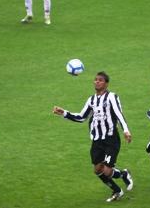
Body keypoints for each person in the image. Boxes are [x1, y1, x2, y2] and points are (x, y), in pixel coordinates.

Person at [52, 72, 133, 202]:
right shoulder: (91, 100)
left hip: (111, 139)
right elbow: (81, 117)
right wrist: (64, 113)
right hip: (97, 140)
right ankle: (117, 189)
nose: (97, 82)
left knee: (107, 169)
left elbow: (119, 114)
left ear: (106, 83)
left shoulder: (112, 97)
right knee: (97, 170)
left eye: (100, 80)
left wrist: (126, 130)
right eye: (95, 80)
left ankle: (123, 175)